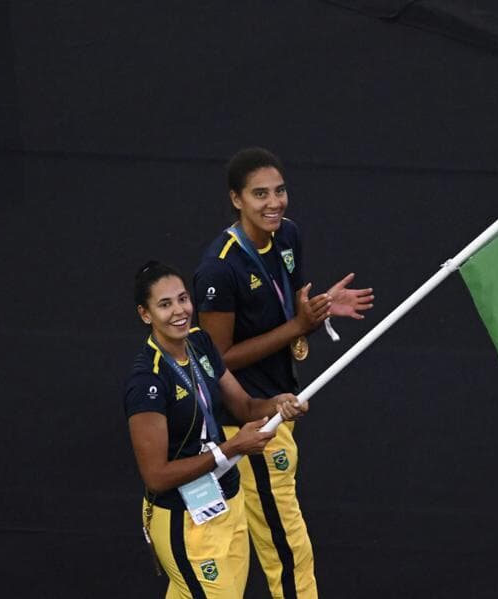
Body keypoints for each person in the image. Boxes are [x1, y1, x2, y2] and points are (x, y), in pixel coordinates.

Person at [194, 148, 373, 599]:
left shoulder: (287, 236)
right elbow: (215, 360)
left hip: (279, 405)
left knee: (267, 544)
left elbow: (291, 307)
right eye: (260, 194)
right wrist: (299, 325)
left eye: (279, 191)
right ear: (236, 199)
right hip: (247, 422)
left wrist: (321, 309)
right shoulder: (221, 267)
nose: (274, 203)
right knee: (286, 548)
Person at [124, 260, 307, 598]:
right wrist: (233, 448)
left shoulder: (200, 344)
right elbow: (156, 476)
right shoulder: (147, 381)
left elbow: (245, 407)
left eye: (182, 299)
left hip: (227, 501)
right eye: (164, 304)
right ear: (145, 314)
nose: (179, 311)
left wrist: (278, 404)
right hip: (184, 518)